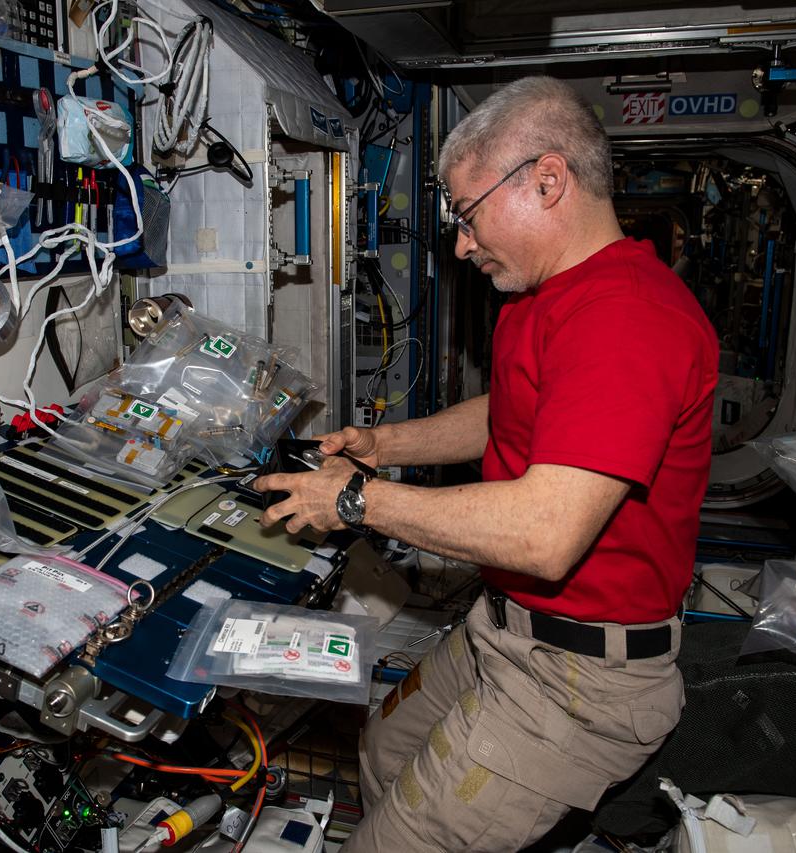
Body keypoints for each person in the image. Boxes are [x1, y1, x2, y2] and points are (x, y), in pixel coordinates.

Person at [254, 75, 719, 851]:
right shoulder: (544, 296)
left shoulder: (627, 317)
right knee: (382, 748)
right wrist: (389, 446)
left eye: (467, 215)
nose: (462, 243)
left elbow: (545, 533)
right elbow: (515, 412)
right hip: (502, 629)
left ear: (547, 180)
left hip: (581, 682)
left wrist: (357, 500)